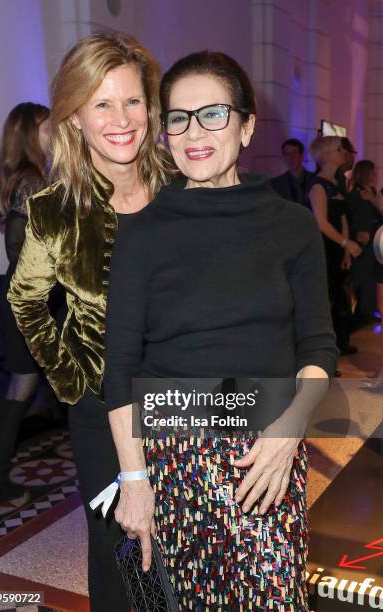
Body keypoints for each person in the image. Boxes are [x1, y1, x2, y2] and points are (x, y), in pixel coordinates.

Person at [103, 51, 338, 611]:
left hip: (266, 454)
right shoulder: (142, 233)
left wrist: (288, 430)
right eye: (178, 119)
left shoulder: (293, 227)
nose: (193, 132)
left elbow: (318, 348)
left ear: (247, 124)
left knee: (272, 597)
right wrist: (134, 481)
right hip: (172, 458)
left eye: (213, 114)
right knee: (183, 600)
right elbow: (121, 368)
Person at [7, 32, 177, 611]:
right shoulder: (54, 210)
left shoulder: (183, 191)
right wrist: (72, 383)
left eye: (132, 101)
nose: (121, 118)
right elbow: (25, 301)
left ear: (150, 110)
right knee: (120, 553)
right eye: (101, 103)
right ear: (75, 117)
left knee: (181, 550)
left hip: (187, 402)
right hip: (103, 412)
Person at [0, 102, 50, 511]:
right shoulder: (31, 181)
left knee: (28, 386)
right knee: (23, 387)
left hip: (29, 297)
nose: (53, 134)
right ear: (29, 133)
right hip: (31, 301)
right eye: (46, 128)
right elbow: (17, 248)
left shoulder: (28, 178)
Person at [308, 136, 362, 356]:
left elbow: (342, 219)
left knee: (339, 297)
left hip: (336, 248)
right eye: (339, 149)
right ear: (326, 155)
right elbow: (320, 222)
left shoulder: (335, 183)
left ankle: (340, 344)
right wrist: (346, 242)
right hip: (322, 249)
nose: (344, 152)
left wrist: (346, 248)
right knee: (326, 302)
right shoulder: (318, 185)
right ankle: (324, 354)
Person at [347, 160, 383, 323]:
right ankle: (362, 315)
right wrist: (356, 234)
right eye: (373, 172)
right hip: (362, 244)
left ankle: (369, 312)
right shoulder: (354, 194)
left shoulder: (375, 192)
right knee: (363, 278)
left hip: (375, 243)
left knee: (371, 278)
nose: (375, 175)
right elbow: (349, 217)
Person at [271, 138, 314, 207]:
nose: (291, 157)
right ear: (283, 157)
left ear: (302, 155)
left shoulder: (315, 180)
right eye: (287, 154)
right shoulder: (275, 184)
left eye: (294, 153)